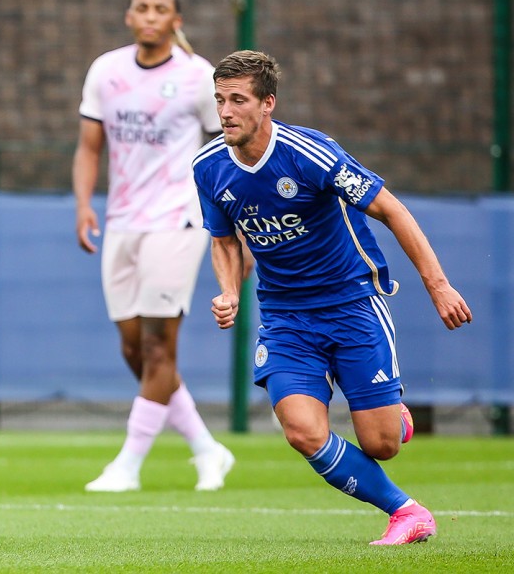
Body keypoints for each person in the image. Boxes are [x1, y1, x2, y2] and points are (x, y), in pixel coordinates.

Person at [193, 49, 473, 545]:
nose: (226, 111)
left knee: (381, 444)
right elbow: (223, 240)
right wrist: (229, 291)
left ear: (267, 104)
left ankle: (391, 415)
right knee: (302, 431)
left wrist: (438, 284)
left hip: (352, 304)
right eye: (220, 100)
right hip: (285, 317)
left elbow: (392, 210)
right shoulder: (209, 166)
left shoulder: (310, 153)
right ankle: (406, 512)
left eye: (238, 100)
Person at [72, 0, 240, 493]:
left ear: (176, 21)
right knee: (134, 352)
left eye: (160, 8)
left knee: (159, 348)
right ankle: (208, 449)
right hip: (122, 221)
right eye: (141, 7)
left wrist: (232, 227)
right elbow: (89, 147)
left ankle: (127, 465)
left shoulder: (197, 77)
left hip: (178, 220)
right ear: (129, 16)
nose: (149, 15)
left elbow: (227, 152)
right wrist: (83, 204)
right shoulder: (107, 69)